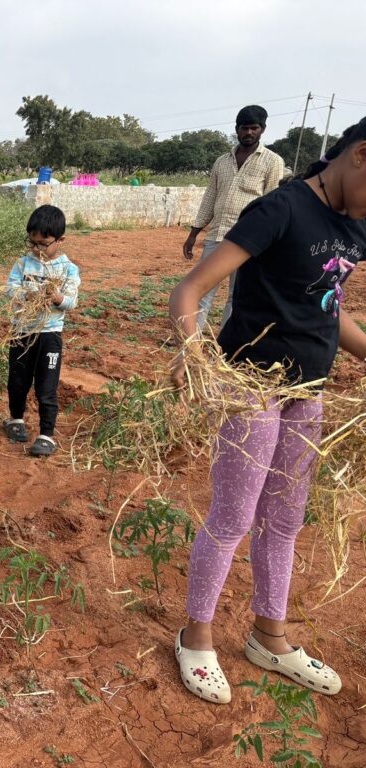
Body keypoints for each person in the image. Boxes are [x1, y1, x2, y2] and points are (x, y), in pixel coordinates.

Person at [168, 117, 366, 705]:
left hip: (309, 389)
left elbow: (327, 306)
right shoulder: (280, 209)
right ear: (361, 156)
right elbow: (188, 291)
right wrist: (195, 356)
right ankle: (195, 636)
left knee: (285, 518)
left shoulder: (355, 225)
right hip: (252, 384)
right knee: (233, 514)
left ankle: (269, 637)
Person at [183, 105, 284, 330]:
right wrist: (194, 233)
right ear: (237, 129)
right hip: (216, 235)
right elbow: (210, 198)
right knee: (202, 289)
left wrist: (269, 244)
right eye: (244, 128)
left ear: (262, 129)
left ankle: (225, 343)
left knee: (237, 295)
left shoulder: (272, 161)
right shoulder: (222, 161)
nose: (249, 133)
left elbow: (273, 204)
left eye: (254, 128)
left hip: (248, 240)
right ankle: (191, 340)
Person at [3, 205, 80, 456]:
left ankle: (46, 434)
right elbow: (11, 289)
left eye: (43, 244)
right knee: (17, 381)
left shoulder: (68, 269)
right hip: (22, 332)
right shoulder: (23, 264)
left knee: (46, 386)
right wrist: (27, 294)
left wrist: (57, 298)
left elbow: (71, 301)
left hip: (50, 335)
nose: (37, 249)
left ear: (60, 240)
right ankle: (16, 420)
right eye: (32, 243)